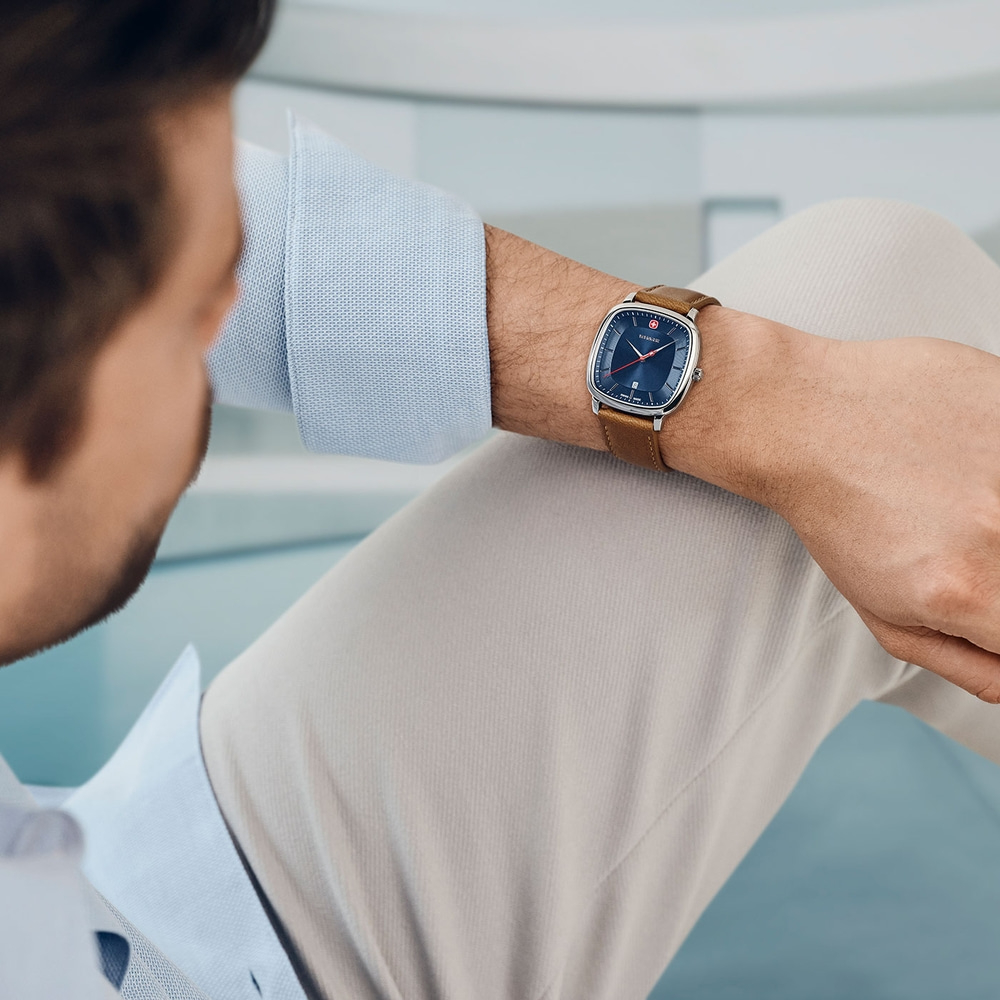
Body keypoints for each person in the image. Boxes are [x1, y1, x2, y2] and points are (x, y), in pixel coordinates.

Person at [3, 0, 1000, 997]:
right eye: (189, 307)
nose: (229, 314)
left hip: (134, 899)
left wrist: (751, 392)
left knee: (869, 303)